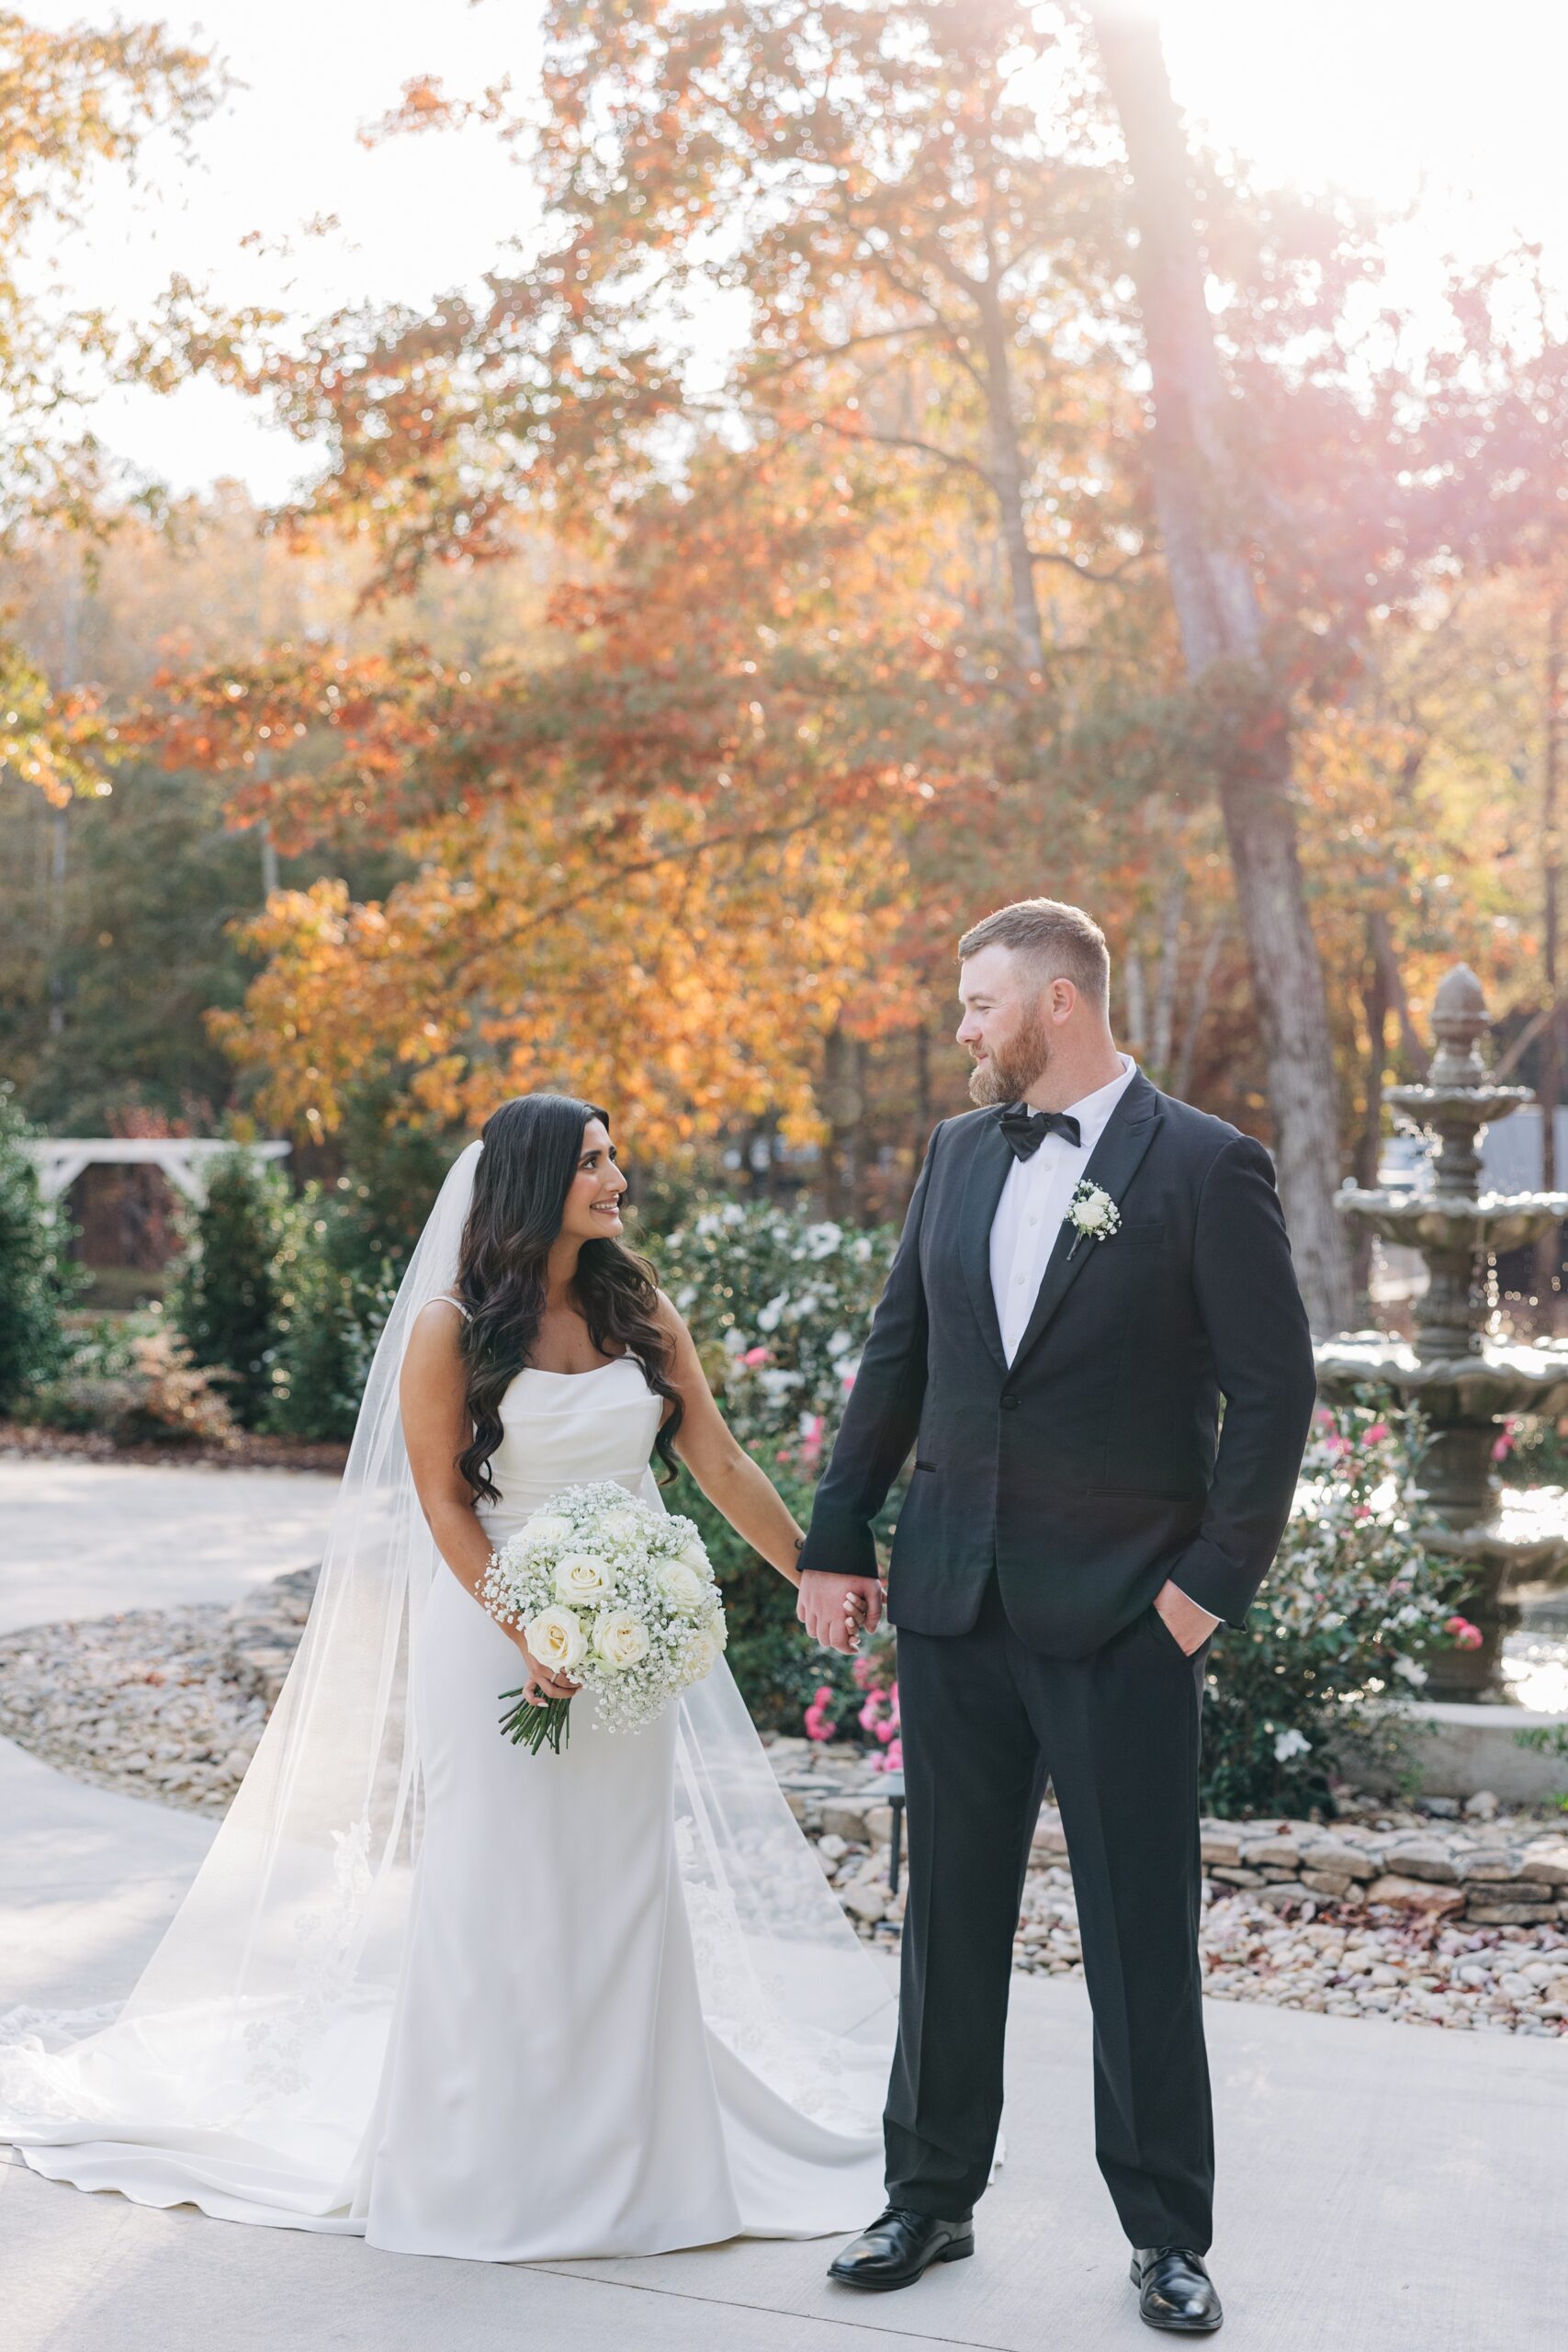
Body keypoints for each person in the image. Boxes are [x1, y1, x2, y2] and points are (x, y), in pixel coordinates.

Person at [2, 1094, 892, 2258]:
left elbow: (713, 1454)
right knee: (500, 1892)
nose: (618, 1177)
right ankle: (484, 2163)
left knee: (623, 1891)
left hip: (625, 1651)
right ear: (533, 1182)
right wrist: (531, 1628)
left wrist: (818, 1574)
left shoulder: (637, 1305)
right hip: (496, 1639)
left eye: (615, 1157)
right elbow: (443, 1501)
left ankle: (641, 2162)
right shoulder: (450, 1325)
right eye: (592, 1161)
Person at [797, 898, 1317, 2335]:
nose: (962, 1029)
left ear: (1059, 1004)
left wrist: (1201, 1595)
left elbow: (1274, 1397)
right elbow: (896, 1357)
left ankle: (1163, 2235)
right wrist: (836, 1542)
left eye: (978, 1004)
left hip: (1124, 1622)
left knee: (1136, 1928)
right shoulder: (958, 1153)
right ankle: (925, 2196)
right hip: (954, 1600)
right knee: (944, 1919)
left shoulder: (1208, 1168)